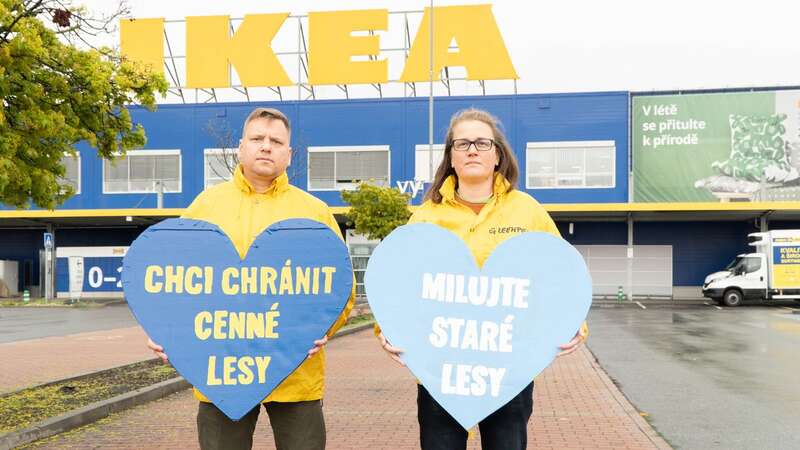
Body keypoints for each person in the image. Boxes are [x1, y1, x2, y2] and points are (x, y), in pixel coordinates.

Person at [377, 108, 589, 450]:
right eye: (462, 144)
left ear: (497, 155)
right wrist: (385, 329)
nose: (472, 150)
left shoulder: (527, 210)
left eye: (481, 142)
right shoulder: (425, 217)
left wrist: (574, 321)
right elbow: (399, 284)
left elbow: (559, 274)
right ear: (450, 157)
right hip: (439, 370)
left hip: (511, 367)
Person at [146, 107, 355, 450]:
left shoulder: (315, 213)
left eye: (276, 141)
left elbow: (340, 287)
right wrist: (167, 330)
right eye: (257, 138)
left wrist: (323, 330)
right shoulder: (204, 208)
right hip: (222, 372)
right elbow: (174, 280)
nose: (266, 146)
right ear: (241, 147)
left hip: (295, 372)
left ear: (289, 154)